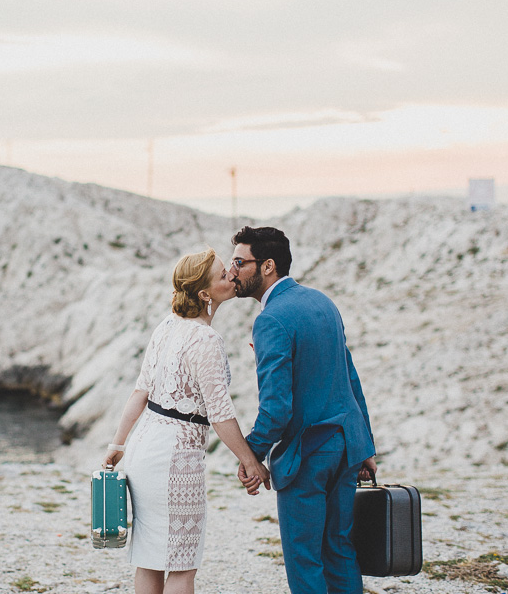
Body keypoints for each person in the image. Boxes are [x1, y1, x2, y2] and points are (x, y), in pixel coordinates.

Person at [103, 247, 270, 594]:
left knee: (149, 558)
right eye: (224, 273)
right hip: (176, 460)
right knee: (182, 564)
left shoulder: (167, 326)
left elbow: (140, 392)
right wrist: (250, 461)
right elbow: (221, 414)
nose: (232, 276)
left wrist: (118, 445)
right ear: (206, 293)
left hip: (142, 451)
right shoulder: (206, 339)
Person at [229, 226, 377, 594]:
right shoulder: (323, 302)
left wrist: (251, 455)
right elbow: (350, 378)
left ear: (267, 266)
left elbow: (277, 409)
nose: (232, 271)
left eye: (239, 262)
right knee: (340, 550)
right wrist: (366, 447)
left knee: (304, 557)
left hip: (308, 455)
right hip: (346, 447)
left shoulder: (271, 320)